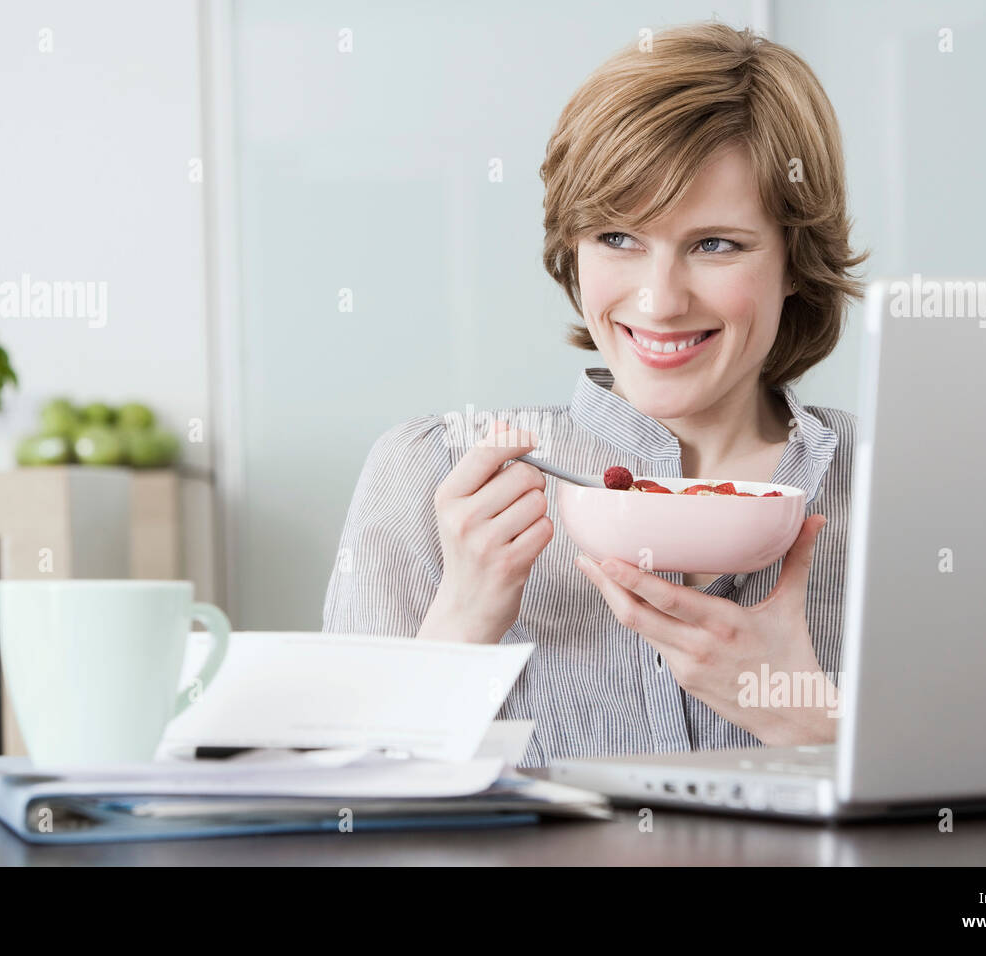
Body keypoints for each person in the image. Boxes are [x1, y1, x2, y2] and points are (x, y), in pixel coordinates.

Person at [323, 21, 868, 768]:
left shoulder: (891, 489)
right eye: (618, 238)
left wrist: (812, 721)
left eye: (715, 244)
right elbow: (339, 816)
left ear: (795, 262)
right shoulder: (431, 476)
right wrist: (462, 620)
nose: (660, 300)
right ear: (573, 251)